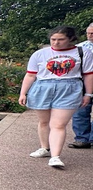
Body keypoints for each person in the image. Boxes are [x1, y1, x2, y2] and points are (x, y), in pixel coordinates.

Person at [18, 26, 93, 169]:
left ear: (71, 38)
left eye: (60, 39)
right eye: (53, 39)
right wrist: (23, 93)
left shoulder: (83, 52)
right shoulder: (40, 54)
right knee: (44, 121)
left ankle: (55, 156)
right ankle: (45, 148)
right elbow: (31, 74)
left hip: (69, 88)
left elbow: (88, 75)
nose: (56, 43)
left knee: (58, 124)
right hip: (43, 87)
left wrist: (88, 94)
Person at [69, 23, 93, 148]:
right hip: (83, 82)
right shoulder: (80, 48)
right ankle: (82, 139)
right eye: (88, 33)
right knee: (80, 111)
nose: (90, 36)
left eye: (92, 33)